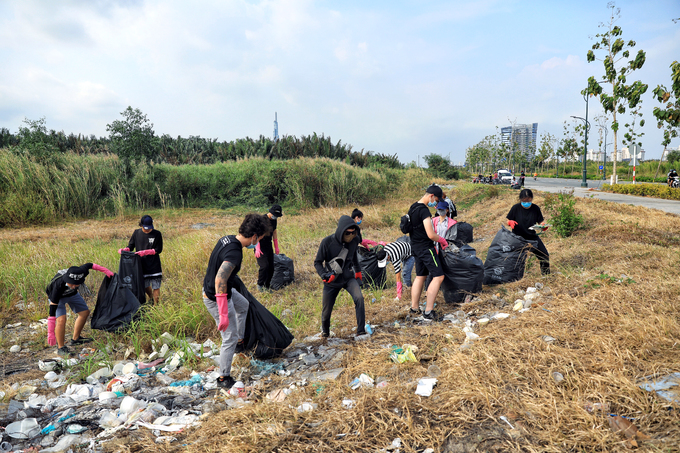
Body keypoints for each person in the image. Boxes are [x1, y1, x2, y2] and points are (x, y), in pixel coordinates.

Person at [202, 214, 271, 389]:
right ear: (254, 236)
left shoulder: (228, 239)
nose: (259, 242)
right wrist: (223, 313)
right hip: (215, 297)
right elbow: (220, 279)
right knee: (228, 337)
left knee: (244, 305)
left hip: (224, 292)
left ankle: (240, 343)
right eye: (260, 239)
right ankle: (224, 377)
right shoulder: (234, 252)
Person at [314, 216, 366, 338]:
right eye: (348, 233)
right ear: (341, 231)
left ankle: (361, 331)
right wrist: (324, 275)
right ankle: (325, 333)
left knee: (359, 298)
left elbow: (354, 257)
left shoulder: (354, 240)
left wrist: (358, 272)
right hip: (332, 280)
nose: (351, 235)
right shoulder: (327, 242)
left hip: (348, 278)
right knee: (326, 312)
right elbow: (317, 262)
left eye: (353, 232)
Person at [46, 263, 114, 356]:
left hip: (72, 295)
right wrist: (50, 332)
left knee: (85, 312)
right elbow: (52, 310)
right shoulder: (58, 285)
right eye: (71, 284)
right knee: (61, 320)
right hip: (59, 298)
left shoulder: (81, 272)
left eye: (76, 284)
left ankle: (76, 339)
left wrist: (107, 271)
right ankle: (61, 347)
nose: (74, 286)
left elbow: (91, 265)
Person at [407, 184, 448, 320]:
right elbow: (430, 234)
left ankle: (414, 308)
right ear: (431, 196)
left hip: (415, 247)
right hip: (426, 248)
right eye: (436, 201)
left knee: (420, 276)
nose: (435, 204)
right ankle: (428, 311)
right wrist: (442, 240)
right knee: (438, 276)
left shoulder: (413, 207)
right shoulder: (424, 211)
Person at [119, 215, 163, 305]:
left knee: (156, 286)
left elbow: (159, 249)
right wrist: (125, 250)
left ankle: (155, 306)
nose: (147, 230)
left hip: (154, 265)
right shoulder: (136, 233)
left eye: (149, 228)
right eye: (145, 228)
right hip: (141, 264)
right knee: (145, 285)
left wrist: (146, 252)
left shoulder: (157, 234)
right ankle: (150, 297)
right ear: (141, 225)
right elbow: (131, 246)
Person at [507, 189, 550, 275]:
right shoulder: (515, 208)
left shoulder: (535, 208)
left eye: (529, 200)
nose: (526, 202)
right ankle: (514, 276)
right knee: (516, 258)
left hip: (532, 237)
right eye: (524, 201)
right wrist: (510, 222)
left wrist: (543, 226)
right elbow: (509, 219)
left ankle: (546, 275)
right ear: (520, 199)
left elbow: (540, 221)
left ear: (532, 199)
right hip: (518, 238)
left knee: (544, 255)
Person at [255, 204, 283, 292]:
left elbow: (274, 232)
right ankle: (260, 285)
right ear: (270, 212)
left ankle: (267, 285)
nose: (275, 217)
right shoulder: (262, 220)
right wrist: (257, 247)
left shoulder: (274, 220)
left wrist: (276, 246)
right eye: (275, 215)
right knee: (264, 266)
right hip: (260, 245)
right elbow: (256, 234)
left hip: (268, 245)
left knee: (271, 267)